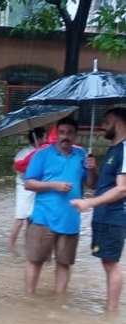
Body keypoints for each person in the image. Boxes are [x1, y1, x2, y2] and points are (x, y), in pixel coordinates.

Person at [23, 117, 97, 295]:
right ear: (57, 133)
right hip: (43, 218)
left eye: (69, 133)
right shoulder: (42, 154)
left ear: (76, 135)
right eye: (62, 132)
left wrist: (93, 169)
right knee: (35, 260)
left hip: (70, 219)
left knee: (64, 263)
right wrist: (53, 185)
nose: (65, 136)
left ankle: (59, 300)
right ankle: (29, 297)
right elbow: (28, 183)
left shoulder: (82, 155)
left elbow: (92, 185)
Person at [71, 107, 126, 312]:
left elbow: (122, 189)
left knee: (111, 264)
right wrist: (93, 169)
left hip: (114, 216)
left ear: (118, 122)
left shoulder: (125, 149)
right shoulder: (114, 149)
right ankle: (110, 308)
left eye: (106, 122)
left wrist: (89, 203)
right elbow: (98, 186)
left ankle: (111, 312)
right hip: (104, 215)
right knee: (106, 262)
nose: (102, 126)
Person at [9, 127, 46, 250]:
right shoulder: (24, 153)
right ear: (39, 138)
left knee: (32, 219)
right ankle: (11, 247)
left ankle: (28, 246)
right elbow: (17, 168)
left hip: (37, 188)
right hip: (24, 188)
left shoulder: (42, 151)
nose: (45, 139)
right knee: (20, 219)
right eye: (44, 137)